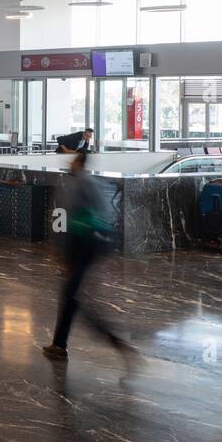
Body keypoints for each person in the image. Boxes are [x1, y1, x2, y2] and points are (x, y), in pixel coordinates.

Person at [42, 150, 138, 366]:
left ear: (78, 162)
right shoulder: (93, 182)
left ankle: (118, 345)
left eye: (73, 159)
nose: (69, 162)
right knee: (72, 298)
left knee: (74, 298)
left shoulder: (76, 184)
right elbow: (106, 216)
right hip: (95, 245)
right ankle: (59, 344)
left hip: (82, 245)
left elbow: (65, 219)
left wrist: (63, 251)